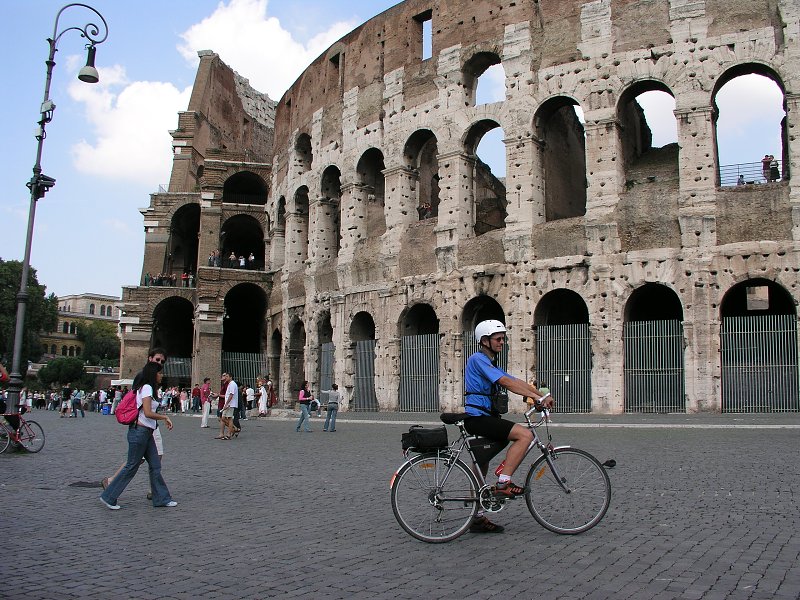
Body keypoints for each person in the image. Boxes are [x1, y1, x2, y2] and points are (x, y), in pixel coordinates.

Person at [462, 320, 554, 533]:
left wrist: (541, 395)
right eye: (498, 339)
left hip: (484, 417)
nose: (502, 342)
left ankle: (477, 517)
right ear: (484, 341)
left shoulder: (489, 362)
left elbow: (514, 380)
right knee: (524, 435)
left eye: (503, 338)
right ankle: (504, 482)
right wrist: (534, 397)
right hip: (478, 418)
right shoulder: (478, 359)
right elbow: (506, 382)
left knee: (481, 463)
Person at [100, 361, 177, 510]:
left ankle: (161, 498)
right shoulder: (147, 388)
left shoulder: (147, 388)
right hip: (139, 433)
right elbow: (147, 412)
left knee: (155, 465)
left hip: (147, 433)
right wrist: (164, 418)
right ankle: (109, 497)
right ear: (153, 374)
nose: (162, 375)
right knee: (131, 466)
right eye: (160, 373)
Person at [218, 372, 239, 439]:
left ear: (230, 377)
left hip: (230, 404)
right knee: (224, 418)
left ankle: (229, 433)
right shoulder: (230, 384)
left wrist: (226, 403)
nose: (225, 377)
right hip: (228, 404)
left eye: (227, 376)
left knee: (228, 418)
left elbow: (231, 395)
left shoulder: (232, 384)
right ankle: (234, 428)